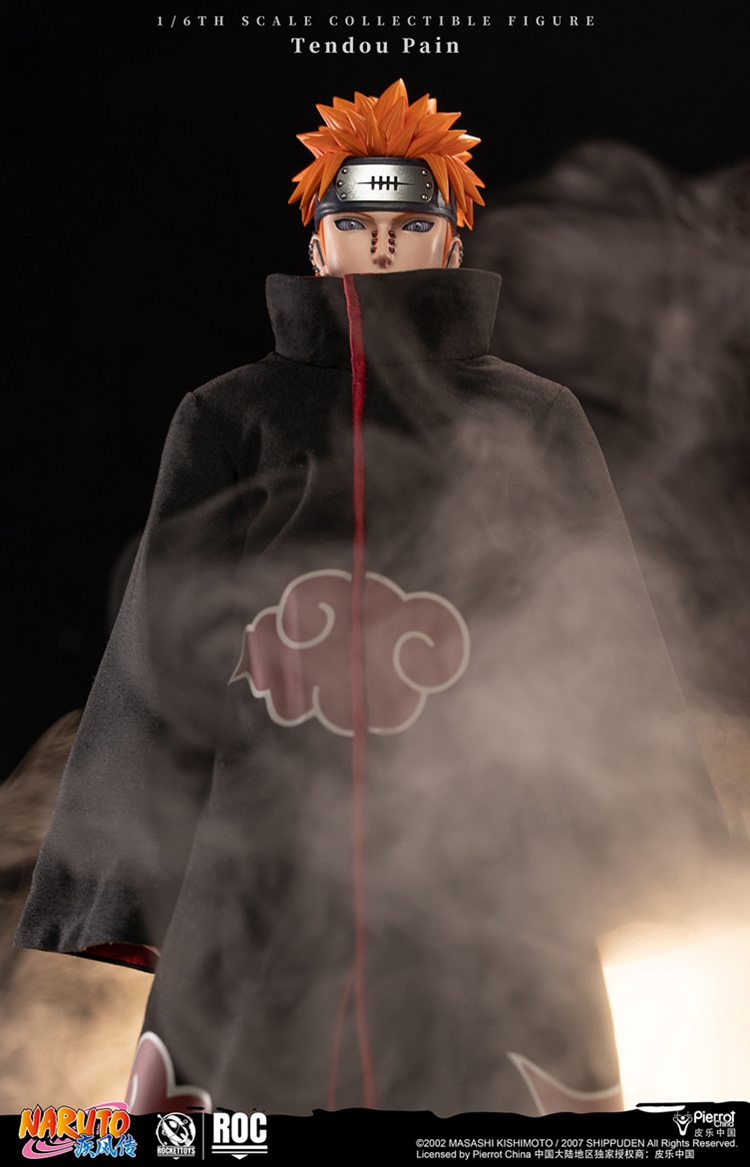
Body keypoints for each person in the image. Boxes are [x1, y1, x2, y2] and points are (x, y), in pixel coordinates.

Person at [15, 80, 729, 1117]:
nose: (383, 247)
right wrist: (113, 882)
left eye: (409, 226)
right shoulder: (231, 414)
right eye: (355, 226)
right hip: (262, 850)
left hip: (481, 845)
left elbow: (603, 635)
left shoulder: (533, 415)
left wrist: (656, 851)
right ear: (317, 249)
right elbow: (159, 646)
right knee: (237, 1105)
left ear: (452, 243)